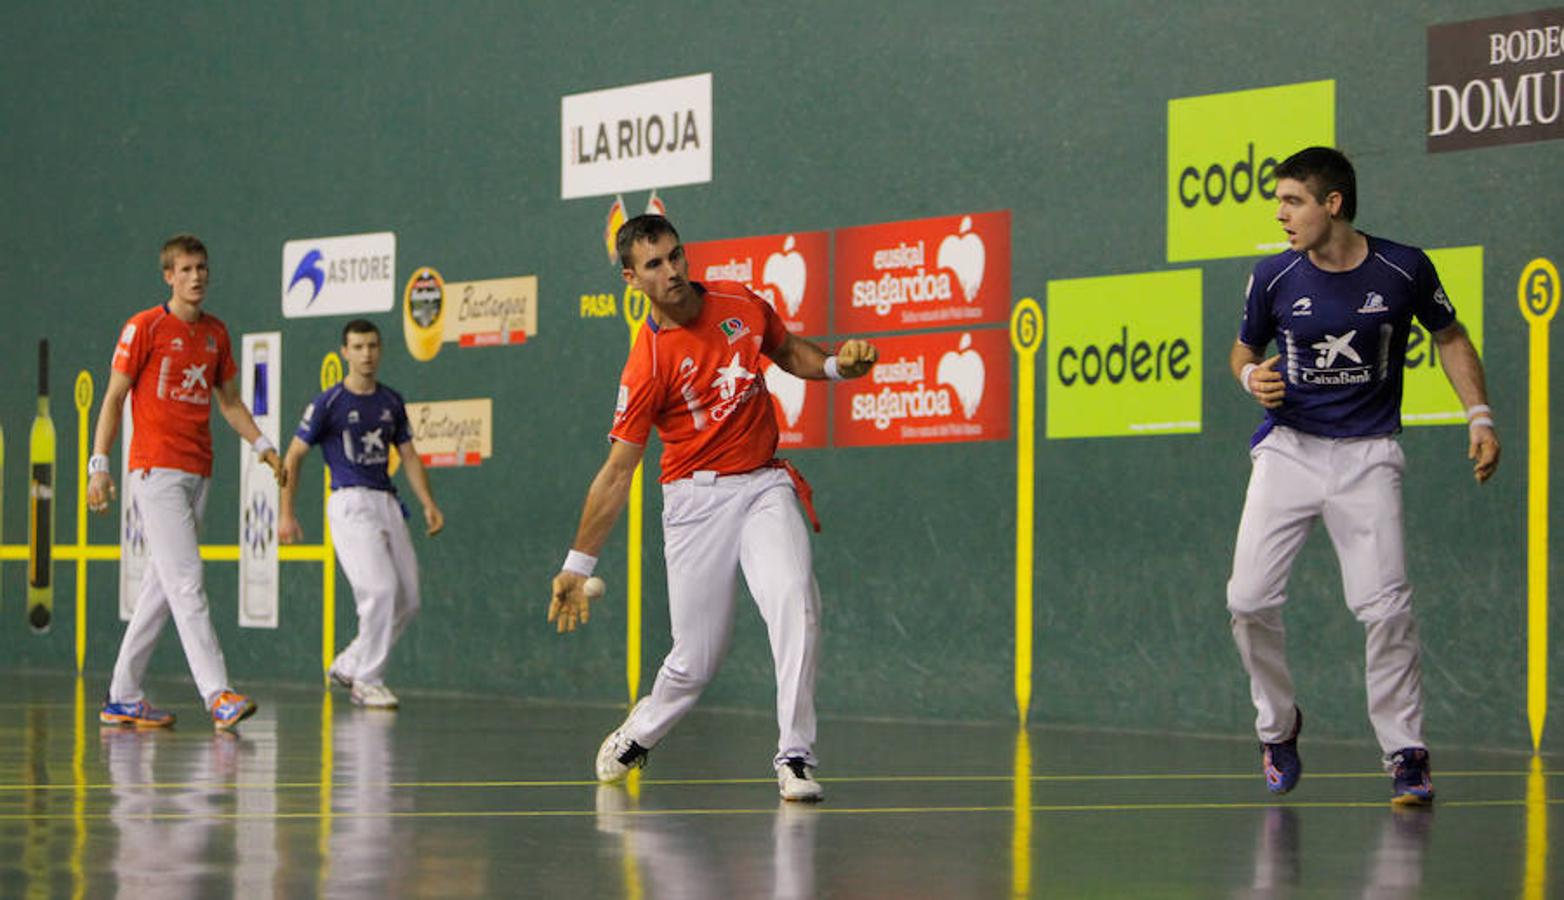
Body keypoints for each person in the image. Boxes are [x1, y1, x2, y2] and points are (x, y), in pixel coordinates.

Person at [550, 214, 878, 802]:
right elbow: (618, 471)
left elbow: (787, 351)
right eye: (654, 264)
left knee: (796, 600)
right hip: (694, 502)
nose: (672, 271)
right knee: (697, 660)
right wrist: (579, 564)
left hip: (763, 486)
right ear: (631, 278)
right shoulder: (647, 363)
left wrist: (835, 367)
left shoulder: (739, 302)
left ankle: (795, 756)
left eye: (676, 256)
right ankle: (639, 732)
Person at [1226, 146, 1500, 805]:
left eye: (1292, 201)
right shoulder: (1272, 277)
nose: (1280, 214)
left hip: (1369, 455)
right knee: (1247, 600)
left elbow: (1451, 336)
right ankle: (1279, 725)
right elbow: (1244, 349)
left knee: (1385, 610)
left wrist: (1480, 416)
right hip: (1289, 450)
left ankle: (1406, 753)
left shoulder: (1402, 268)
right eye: (1279, 201)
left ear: (1333, 204)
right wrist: (1248, 377)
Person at [89, 233, 283, 731]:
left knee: (162, 585)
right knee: (187, 581)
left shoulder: (216, 333)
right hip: (155, 470)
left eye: (202, 268)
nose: (197, 277)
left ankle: (122, 696)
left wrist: (263, 446)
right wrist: (99, 466)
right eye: (186, 269)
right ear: (168, 276)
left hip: (200, 471)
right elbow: (113, 398)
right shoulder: (144, 327)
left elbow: (231, 402)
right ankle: (218, 695)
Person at [278, 319, 444, 709]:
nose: (366, 354)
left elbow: (408, 455)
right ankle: (367, 680)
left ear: (380, 350)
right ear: (345, 352)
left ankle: (351, 662)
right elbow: (294, 457)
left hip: (387, 501)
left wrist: (428, 503)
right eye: (358, 347)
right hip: (350, 503)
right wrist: (286, 513)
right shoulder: (328, 403)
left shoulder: (391, 401)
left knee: (409, 598)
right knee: (380, 590)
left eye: (372, 346)